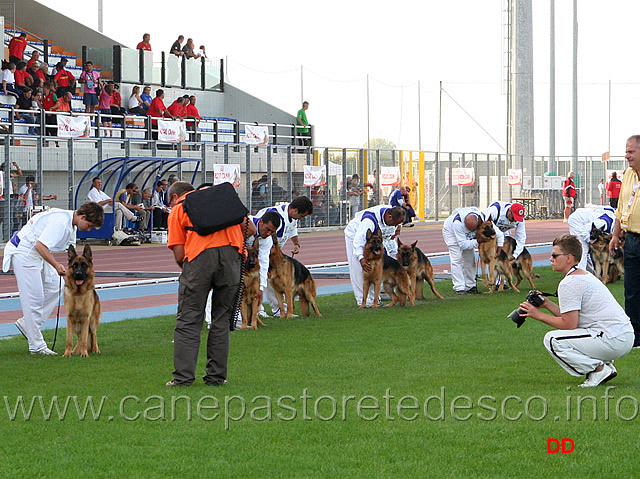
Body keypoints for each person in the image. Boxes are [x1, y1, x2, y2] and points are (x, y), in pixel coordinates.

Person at [165, 181, 256, 387]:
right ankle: (216, 377)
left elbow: (179, 253)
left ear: (173, 197)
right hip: (232, 259)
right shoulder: (222, 200)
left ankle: (183, 378)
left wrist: (191, 270)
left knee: (189, 320)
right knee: (222, 319)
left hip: (198, 260)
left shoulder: (179, 208)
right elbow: (250, 228)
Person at [519, 234, 633, 387]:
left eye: (554, 255)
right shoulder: (584, 275)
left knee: (552, 340)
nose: (551, 259)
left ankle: (598, 370)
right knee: (572, 333)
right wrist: (547, 304)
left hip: (612, 338)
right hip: (623, 336)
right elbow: (573, 318)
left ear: (569, 258)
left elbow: (569, 324)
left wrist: (538, 315)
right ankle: (605, 366)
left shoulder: (570, 282)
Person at [2, 202, 104, 355]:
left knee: (56, 285)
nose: (88, 229)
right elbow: (40, 246)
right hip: (25, 253)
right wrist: (56, 265)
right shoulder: (61, 223)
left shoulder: (71, 225)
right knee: (34, 299)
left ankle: (28, 324)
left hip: (37, 254)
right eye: (89, 225)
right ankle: (37, 346)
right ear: (83, 216)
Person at [204, 211, 280, 328]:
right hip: (222, 251)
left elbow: (263, 262)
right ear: (260, 222)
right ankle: (211, 320)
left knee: (236, 288)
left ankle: (235, 319)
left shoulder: (267, 240)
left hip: (240, 261)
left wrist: (260, 288)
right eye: (267, 229)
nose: (268, 233)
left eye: (272, 232)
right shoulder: (243, 223)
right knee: (218, 285)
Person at [255, 196, 313, 317]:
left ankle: (278, 308)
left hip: (275, 250)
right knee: (260, 276)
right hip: (261, 246)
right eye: (302, 216)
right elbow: (265, 234)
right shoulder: (277, 218)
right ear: (295, 210)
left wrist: (296, 243)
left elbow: (293, 229)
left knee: (274, 279)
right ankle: (258, 309)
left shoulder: (292, 217)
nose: (301, 218)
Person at [609, 134, 640, 349]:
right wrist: (614, 235)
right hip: (631, 240)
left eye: (631, 152)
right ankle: (635, 336)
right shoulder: (628, 175)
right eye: (626, 151)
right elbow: (621, 209)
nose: (626, 155)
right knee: (632, 290)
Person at [344, 205, 405, 306]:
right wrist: (361, 258)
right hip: (354, 235)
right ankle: (364, 301)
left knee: (377, 269)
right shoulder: (369, 221)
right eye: (395, 224)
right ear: (389, 217)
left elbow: (390, 241)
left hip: (376, 238)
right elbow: (358, 241)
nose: (395, 226)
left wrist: (396, 259)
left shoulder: (393, 213)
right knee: (361, 269)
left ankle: (375, 299)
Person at [442, 207, 504, 295]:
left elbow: (499, 234)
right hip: (451, 232)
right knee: (457, 259)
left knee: (470, 259)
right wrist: (478, 241)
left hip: (468, 231)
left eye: (473, 230)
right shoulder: (457, 223)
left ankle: (471, 286)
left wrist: (499, 249)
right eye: (469, 230)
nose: (471, 232)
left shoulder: (484, 218)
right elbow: (463, 244)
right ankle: (459, 288)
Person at [568, 206, 617, 272]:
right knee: (582, 250)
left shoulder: (614, 214)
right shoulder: (603, 222)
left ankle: (591, 276)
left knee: (586, 251)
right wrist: (591, 242)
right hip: (577, 221)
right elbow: (583, 230)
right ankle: (579, 276)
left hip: (583, 216)